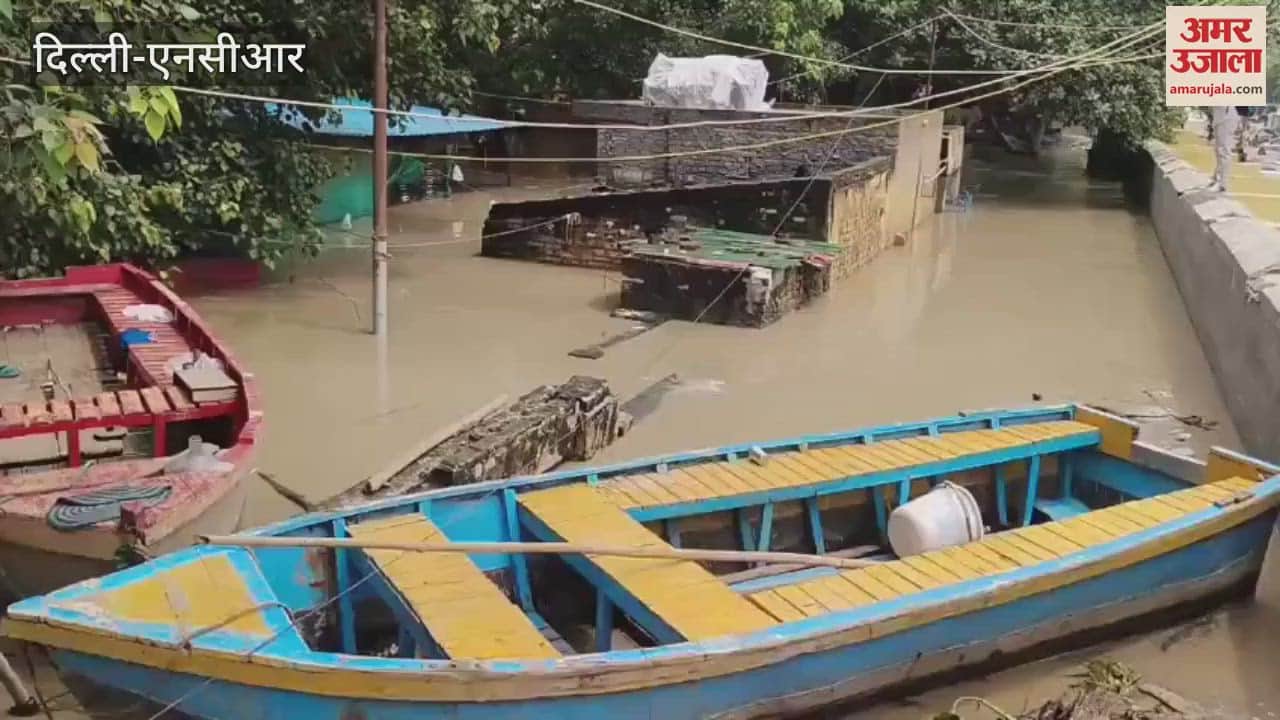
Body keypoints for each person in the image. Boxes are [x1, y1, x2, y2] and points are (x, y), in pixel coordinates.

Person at [1211, 105, 1240, 192]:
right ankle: (1217, 178)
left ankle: (1222, 184)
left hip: (1225, 118)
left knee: (1223, 151)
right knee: (1218, 150)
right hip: (1219, 118)